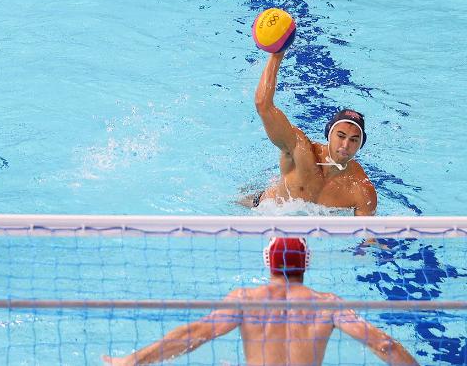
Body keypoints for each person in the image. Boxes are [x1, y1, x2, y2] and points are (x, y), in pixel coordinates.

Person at [102, 237, 419, 366]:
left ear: (268, 262)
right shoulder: (327, 304)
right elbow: (384, 345)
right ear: (305, 264)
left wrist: (132, 360)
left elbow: (192, 336)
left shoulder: (244, 300)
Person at [249, 49, 377, 215]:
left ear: (361, 143)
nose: (346, 145)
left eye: (354, 140)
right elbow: (263, 105)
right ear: (328, 133)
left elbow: (368, 238)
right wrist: (276, 56)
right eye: (340, 136)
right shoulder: (299, 149)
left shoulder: (361, 189)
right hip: (262, 209)